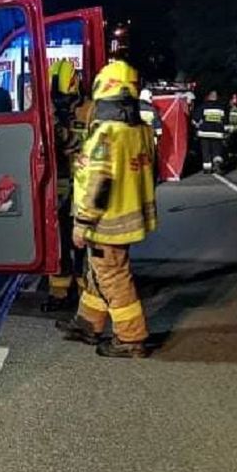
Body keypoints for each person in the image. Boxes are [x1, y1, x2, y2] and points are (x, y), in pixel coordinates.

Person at [54, 54, 161, 358]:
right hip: (129, 219)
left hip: (106, 222)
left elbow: (97, 183)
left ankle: (130, 339)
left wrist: (83, 223)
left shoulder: (106, 134)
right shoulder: (141, 131)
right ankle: (88, 324)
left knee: (113, 276)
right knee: (98, 271)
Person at [44, 59, 83, 311]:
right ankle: (59, 293)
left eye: (64, 98)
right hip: (57, 185)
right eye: (55, 98)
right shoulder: (48, 113)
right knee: (57, 243)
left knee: (81, 245)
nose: (60, 103)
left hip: (81, 187)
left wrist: (57, 127)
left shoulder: (88, 111)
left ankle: (83, 294)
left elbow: (79, 147)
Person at [193, 90, 228, 173]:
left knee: (206, 150)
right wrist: (226, 131)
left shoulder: (203, 107)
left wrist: (197, 126)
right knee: (217, 150)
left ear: (209, 97)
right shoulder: (221, 107)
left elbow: (195, 119)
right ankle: (217, 164)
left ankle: (207, 168)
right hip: (217, 133)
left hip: (204, 132)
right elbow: (225, 121)